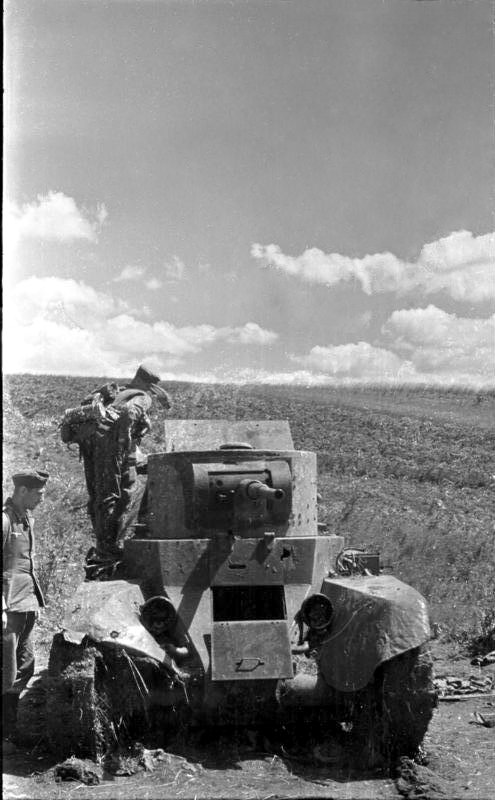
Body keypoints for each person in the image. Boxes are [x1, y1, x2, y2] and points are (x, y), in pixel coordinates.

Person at [79, 365, 171, 567]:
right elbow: (130, 413)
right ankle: (108, 549)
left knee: (98, 496)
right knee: (115, 496)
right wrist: (123, 443)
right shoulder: (142, 397)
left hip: (91, 447)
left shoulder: (118, 392)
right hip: (112, 449)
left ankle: (103, 546)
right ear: (150, 385)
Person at [2, 469, 49, 748]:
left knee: (26, 666)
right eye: (38, 493)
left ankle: (10, 730)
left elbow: (26, 564)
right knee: (5, 671)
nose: (41, 498)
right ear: (22, 491)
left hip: (26, 604)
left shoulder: (26, 519)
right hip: (8, 608)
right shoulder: (5, 520)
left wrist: (35, 602)